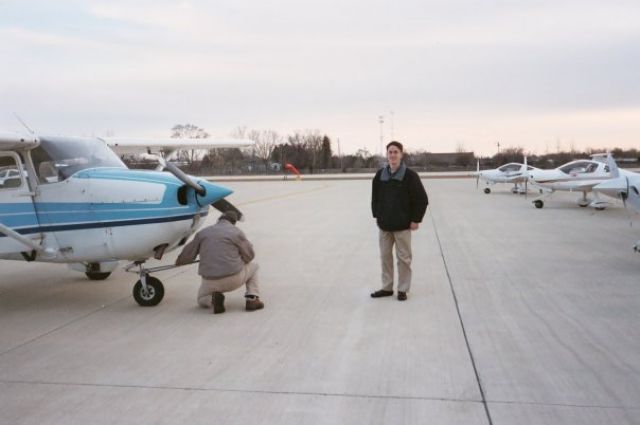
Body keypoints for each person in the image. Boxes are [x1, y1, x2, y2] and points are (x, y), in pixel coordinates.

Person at [371, 141, 428, 301]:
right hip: (384, 226)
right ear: (387, 155)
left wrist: (416, 220)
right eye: (390, 152)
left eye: (396, 152)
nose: (393, 155)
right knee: (385, 257)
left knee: (404, 259)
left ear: (401, 154)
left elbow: (422, 199)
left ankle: (402, 289)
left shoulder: (410, 176)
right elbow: (375, 198)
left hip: (403, 226)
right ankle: (387, 287)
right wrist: (377, 215)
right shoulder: (380, 175)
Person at [175, 210, 264, 314]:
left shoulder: (203, 233)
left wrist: (179, 261)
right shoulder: (236, 232)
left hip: (210, 282)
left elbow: (187, 256)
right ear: (233, 222)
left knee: (201, 299)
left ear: (219, 220)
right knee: (254, 267)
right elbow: (249, 256)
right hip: (233, 278)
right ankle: (252, 299)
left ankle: (212, 300)